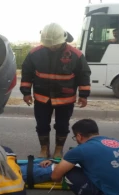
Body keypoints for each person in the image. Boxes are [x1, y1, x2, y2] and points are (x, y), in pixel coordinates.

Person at [20, 22, 91, 159]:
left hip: (65, 98)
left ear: (63, 39)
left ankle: (59, 150)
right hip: (42, 98)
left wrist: (83, 95)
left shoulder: (75, 54)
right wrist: (26, 93)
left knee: (62, 125)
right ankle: (44, 149)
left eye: (55, 45)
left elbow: (84, 75)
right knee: (41, 125)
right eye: (49, 45)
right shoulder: (35, 53)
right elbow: (27, 73)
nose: (52, 47)